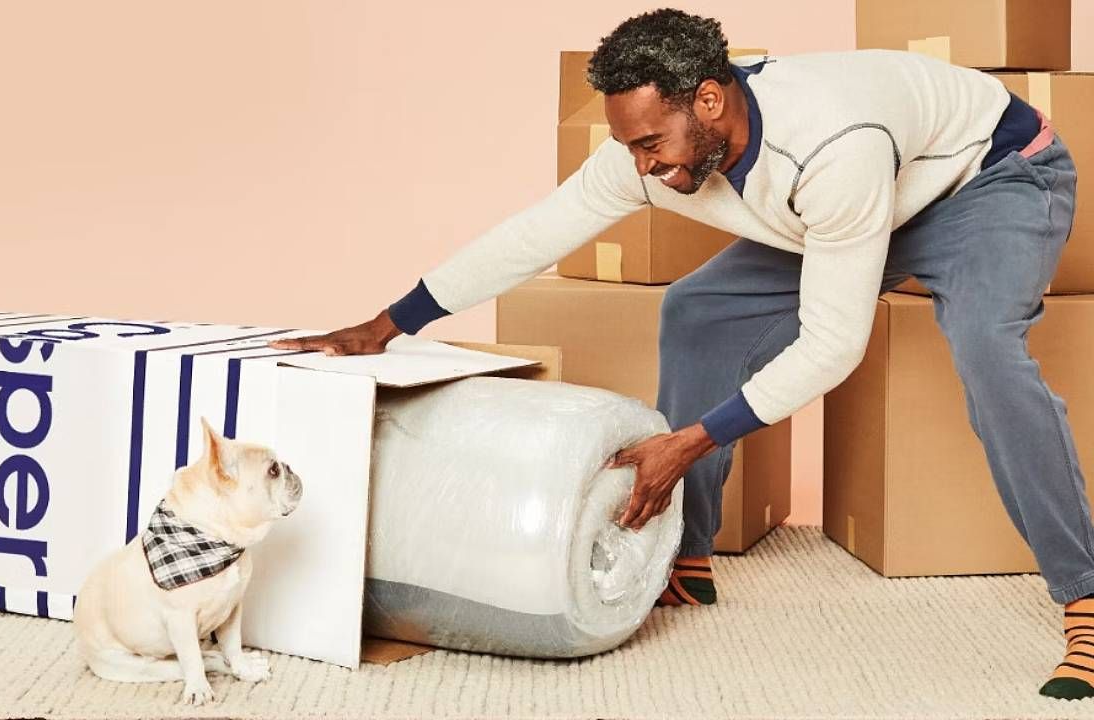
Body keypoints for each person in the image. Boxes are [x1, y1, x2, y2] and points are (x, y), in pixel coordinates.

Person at [269, 8, 1088, 699]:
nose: (645, 166)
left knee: (984, 347)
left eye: (652, 143)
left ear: (708, 99)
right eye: (630, 148)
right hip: (863, 200)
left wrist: (690, 440)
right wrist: (386, 324)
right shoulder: (659, 144)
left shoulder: (831, 149)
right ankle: (685, 553)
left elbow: (834, 344)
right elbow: (534, 236)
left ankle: (1085, 593)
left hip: (992, 179)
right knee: (697, 310)